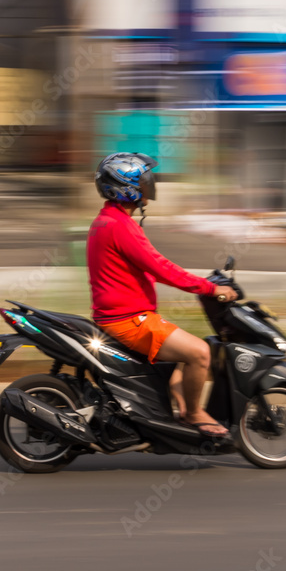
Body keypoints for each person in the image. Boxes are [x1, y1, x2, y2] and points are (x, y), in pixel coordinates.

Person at [86, 152, 238, 439]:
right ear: (126, 186)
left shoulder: (107, 221)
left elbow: (152, 267)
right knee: (200, 353)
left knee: (180, 353)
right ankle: (193, 414)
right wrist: (210, 288)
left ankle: (179, 416)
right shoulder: (120, 227)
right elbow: (161, 268)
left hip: (125, 316)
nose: (149, 186)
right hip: (129, 320)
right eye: (144, 181)